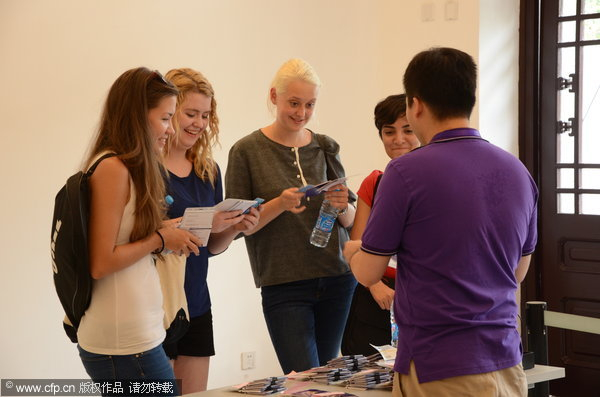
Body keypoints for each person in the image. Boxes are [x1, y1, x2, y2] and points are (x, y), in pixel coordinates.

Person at [343, 47, 538, 397]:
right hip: (507, 361)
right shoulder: (518, 171)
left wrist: (353, 250)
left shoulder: (404, 173)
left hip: (439, 366)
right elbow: (518, 272)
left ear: (415, 104)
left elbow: (367, 273)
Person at [225, 58, 357, 374]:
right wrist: (279, 204)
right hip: (284, 284)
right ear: (274, 97)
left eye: (309, 104)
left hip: (337, 278)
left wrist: (341, 204)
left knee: (328, 380)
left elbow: (350, 221)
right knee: (303, 382)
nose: (301, 113)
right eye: (294, 103)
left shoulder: (326, 146)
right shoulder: (246, 151)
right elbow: (238, 227)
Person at [77, 67, 202, 395]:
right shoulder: (113, 169)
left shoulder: (119, 167)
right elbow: (102, 262)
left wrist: (162, 231)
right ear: (136, 116)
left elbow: (121, 237)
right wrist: (160, 239)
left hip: (131, 338)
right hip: (124, 342)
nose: (171, 129)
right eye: (165, 118)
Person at [161, 68, 260, 394]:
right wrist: (205, 223)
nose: (199, 123)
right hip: (154, 307)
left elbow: (211, 247)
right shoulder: (145, 167)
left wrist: (234, 227)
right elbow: (138, 235)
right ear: (169, 112)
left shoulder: (208, 170)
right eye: (190, 113)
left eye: (205, 115)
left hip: (196, 304)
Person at [341, 94, 419, 357]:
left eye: (407, 130)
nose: (398, 139)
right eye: (389, 132)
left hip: (421, 297)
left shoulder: (433, 180)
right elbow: (355, 246)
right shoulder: (374, 183)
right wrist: (375, 286)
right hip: (376, 296)